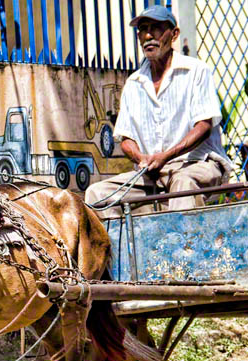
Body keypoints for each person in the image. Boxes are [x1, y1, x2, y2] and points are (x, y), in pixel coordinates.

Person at [85, 5, 232, 218]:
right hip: (151, 172)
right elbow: (126, 138)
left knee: (183, 184)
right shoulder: (134, 84)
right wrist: (141, 157)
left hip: (197, 164)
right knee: (97, 194)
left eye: (156, 28)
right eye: (143, 29)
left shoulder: (196, 71)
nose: (147, 35)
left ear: (174, 34)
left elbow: (204, 126)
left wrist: (166, 156)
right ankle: (120, 251)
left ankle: (182, 250)